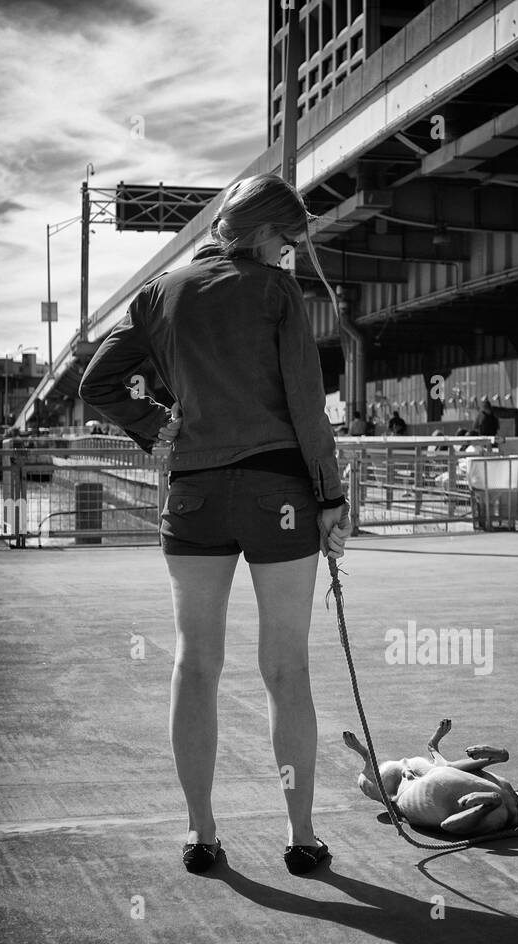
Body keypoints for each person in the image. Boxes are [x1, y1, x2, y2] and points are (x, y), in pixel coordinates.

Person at [80, 173, 350, 877]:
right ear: (261, 231)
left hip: (193, 493)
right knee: (285, 668)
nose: (289, 254)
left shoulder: (157, 293)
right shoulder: (273, 292)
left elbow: (97, 384)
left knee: (193, 664)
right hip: (278, 492)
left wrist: (158, 430)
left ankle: (201, 834)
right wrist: (329, 498)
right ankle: (301, 836)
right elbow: (304, 401)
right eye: (286, 240)